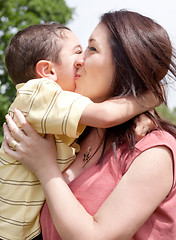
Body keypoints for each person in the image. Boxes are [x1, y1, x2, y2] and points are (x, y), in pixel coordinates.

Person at [3, 9, 176, 240]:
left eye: (92, 49)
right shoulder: (70, 133)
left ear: (124, 66)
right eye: (82, 49)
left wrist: (45, 168)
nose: (80, 60)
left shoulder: (152, 151)